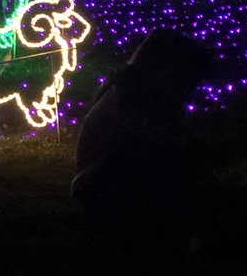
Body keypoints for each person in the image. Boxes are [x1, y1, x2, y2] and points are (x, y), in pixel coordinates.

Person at [71, 29, 214, 272]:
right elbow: (160, 140)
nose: (189, 89)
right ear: (164, 69)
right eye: (185, 78)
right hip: (102, 186)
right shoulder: (129, 98)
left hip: (113, 182)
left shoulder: (139, 93)